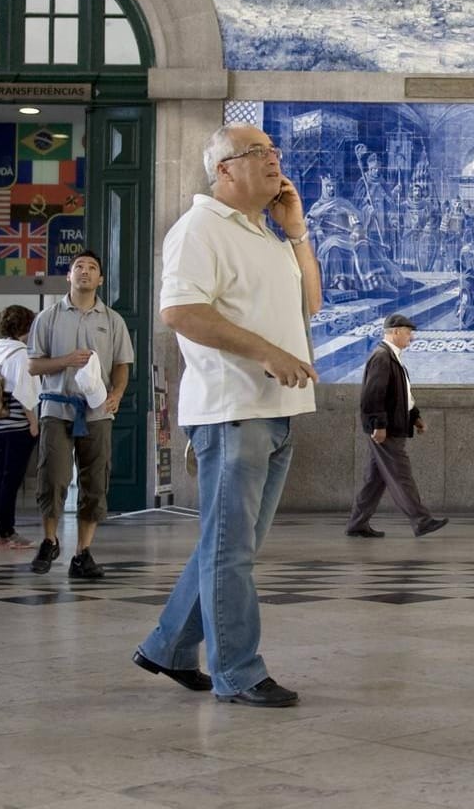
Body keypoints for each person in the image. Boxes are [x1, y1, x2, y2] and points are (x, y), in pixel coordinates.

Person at [134, 125, 321, 708]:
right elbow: (181, 311)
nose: (275, 160)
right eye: (260, 153)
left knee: (230, 546)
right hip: (232, 411)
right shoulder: (199, 228)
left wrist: (296, 234)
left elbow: (308, 304)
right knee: (230, 550)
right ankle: (238, 671)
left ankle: (167, 646)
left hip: (278, 409)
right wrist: (266, 352)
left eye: (275, 152)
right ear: (224, 170)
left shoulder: (265, 235)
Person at [26, 251, 133, 578]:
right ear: (68, 277)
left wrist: (116, 394)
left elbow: (121, 365)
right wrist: (65, 360)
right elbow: (33, 365)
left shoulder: (113, 320)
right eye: (78, 267)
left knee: (95, 481)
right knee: (53, 476)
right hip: (57, 408)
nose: (85, 272)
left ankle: (83, 553)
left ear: (100, 279)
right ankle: (49, 540)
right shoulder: (48, 317)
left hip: (98, 411)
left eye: (92, 268)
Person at [345, 313, 447, 538]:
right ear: (395, 332)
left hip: (391, 426)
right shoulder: (382, 357)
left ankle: (357, 523)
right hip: (386, 429)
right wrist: (378, 425)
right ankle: (421, 520)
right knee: (401, 475)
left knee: (374, 479)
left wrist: (415, 417)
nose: (411, 337)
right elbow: (373, 395)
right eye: (408, 333)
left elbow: (402, 395)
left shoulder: (392, 357)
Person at [0, 304, 41, 549]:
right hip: (18, 425)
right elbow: (26, 394)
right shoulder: (22, 354)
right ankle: (6, 531)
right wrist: (33, 423)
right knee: (12, 480)